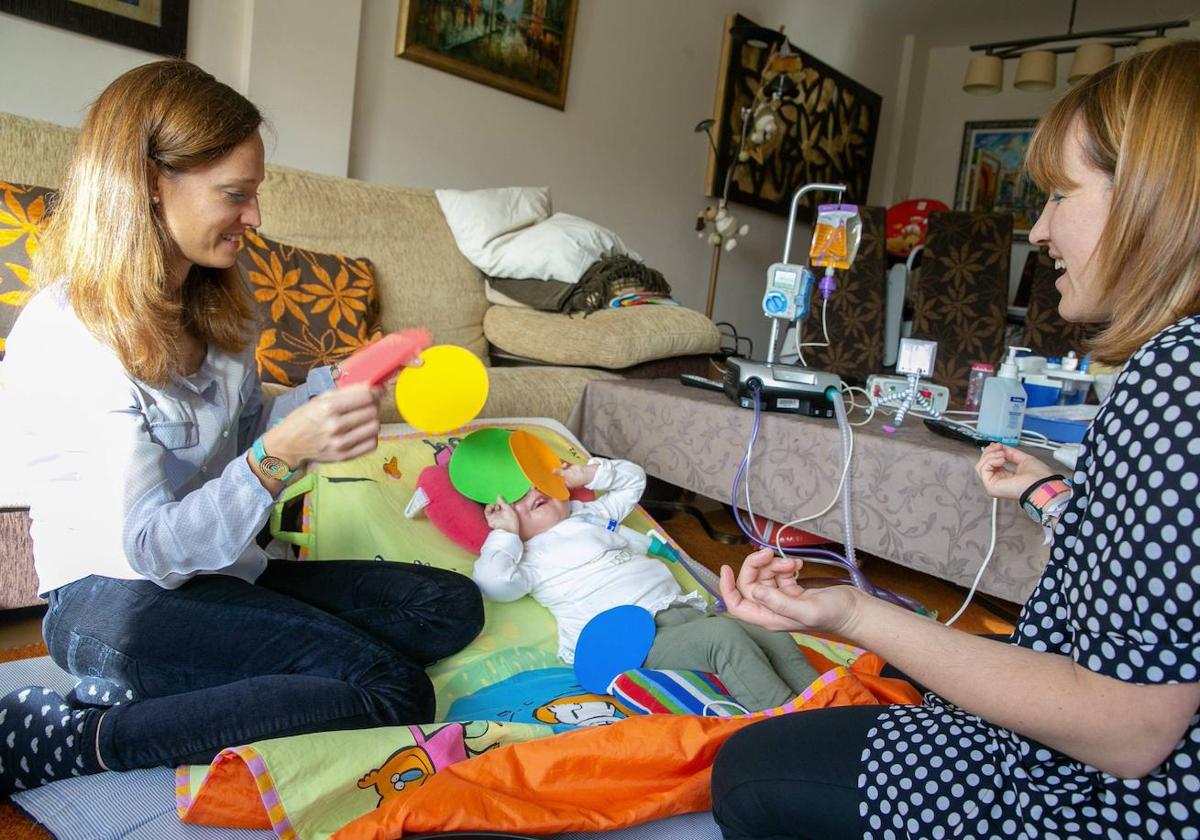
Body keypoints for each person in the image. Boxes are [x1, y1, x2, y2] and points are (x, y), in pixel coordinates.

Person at [710, 41, 1200, 839]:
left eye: (1060, 196)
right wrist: (1049, 492)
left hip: (1107, 800)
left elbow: (1125, 727)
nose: (1037, 231)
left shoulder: (1178, 380)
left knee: (751, 771)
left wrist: (851, 614)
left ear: (1157, 198)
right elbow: (1167, 577)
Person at [0, 60, 483, 796]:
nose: (255, 218)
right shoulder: (74, 334)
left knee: (446, 605)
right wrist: (279, 456)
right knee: (394, 690)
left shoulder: (220, 307)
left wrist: (340, 386)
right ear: (149, 183)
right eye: (237, 195)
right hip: (112, 597)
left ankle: (216, 682)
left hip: (223, 573)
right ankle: (87, 738)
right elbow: (153, 548)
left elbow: (252, 427)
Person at [472, 456, 820, 712]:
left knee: (770, 633)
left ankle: (830, 703)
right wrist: (505, 534)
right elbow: (493, 582)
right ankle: (793, 722)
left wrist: (589, 473)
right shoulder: (527, 555)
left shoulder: (591, 514)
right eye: (512, 497)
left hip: (682, 614)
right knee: (724, 639)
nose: (531, 491)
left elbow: (632, 481)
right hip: (633, 646)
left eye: (533, 479)